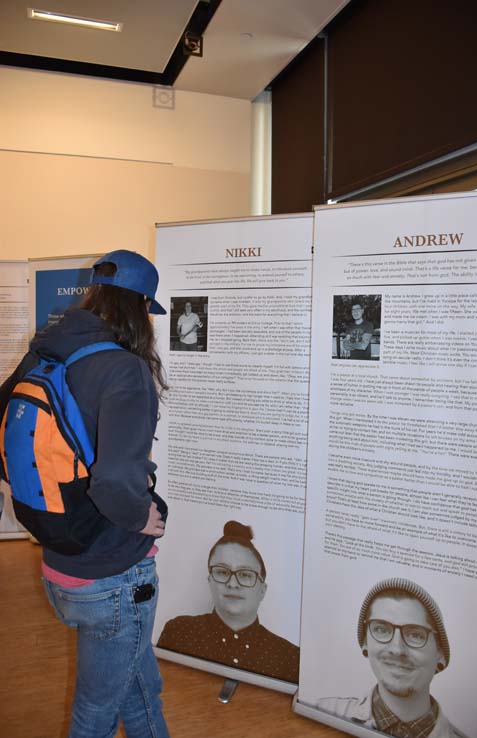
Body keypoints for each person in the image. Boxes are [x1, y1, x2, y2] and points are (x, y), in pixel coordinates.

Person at [1, 250, 170, 738]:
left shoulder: (44, 353)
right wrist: (140, 517)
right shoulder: (124, 370)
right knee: (94, 715)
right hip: (113, 578)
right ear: (139, 306)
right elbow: (116, 481)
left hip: (59, 562)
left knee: (141, 692)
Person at [318, 578, 469, 738]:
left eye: (415, 635)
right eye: (381, 630)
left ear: (440, 654)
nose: (397, 649)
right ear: (365, 643)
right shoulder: (321, 712)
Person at [157, 520, 300, 683]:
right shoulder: (178, 633)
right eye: (222, 572)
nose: (232, 584)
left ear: (262, 590)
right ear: (209, 580)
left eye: (245, 574)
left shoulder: (289, 658)